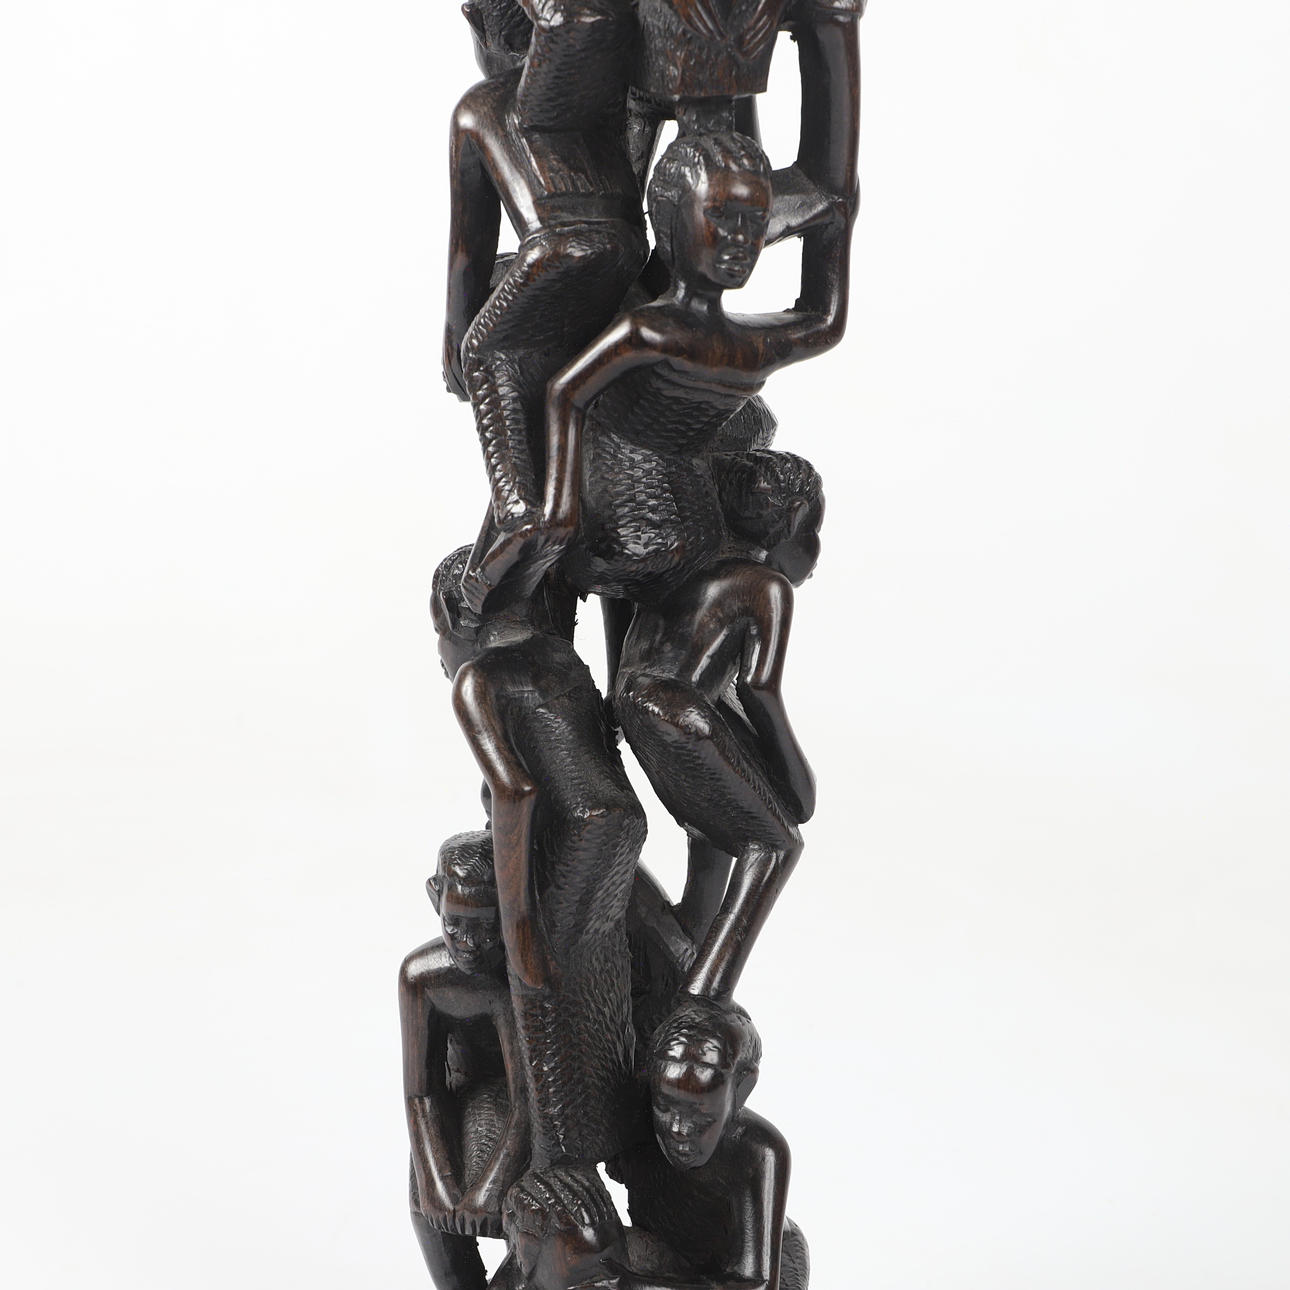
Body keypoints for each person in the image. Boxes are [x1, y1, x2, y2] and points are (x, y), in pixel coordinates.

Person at [433, 546, 648, 1166]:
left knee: (543, 1001)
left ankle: (561, 1166)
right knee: (597, 979)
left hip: (579, 839)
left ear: (456, 618)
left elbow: (515, 792)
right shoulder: (557, 656)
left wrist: (519, 923)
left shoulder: (481, 679)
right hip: (618, 828)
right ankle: (614, 1132)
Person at [443, 0, 647, 613]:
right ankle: (556, 505)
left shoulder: (480, 108)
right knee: (559, 379)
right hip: (624, 253)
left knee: (488, 351)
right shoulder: (608, 102)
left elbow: (469, 254)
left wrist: (456, 341)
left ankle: (521, 510)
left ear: (479, 27)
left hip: (555, 252)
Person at [400, 832, 532, 1290]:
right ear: (434, 896)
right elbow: (421, 1093)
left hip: (525, 1110)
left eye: (486, 927)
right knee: (423, 1206)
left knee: (521, 1212)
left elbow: (527, 1098)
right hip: (460, 1098)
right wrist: (435, 1183)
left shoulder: (519, 978)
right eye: (454, 924)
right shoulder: (420, 977)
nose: (470, 944)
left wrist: (491, 1183)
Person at [606, 999, 809, 1290]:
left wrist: (637, 1286)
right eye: (664, 1107)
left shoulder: (759, 1152)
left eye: (700, 1117)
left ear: (741, 1090)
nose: (678, 1129)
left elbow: (757, 1283)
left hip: (757, 1269)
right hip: (672, 1253)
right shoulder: (638, 1116)